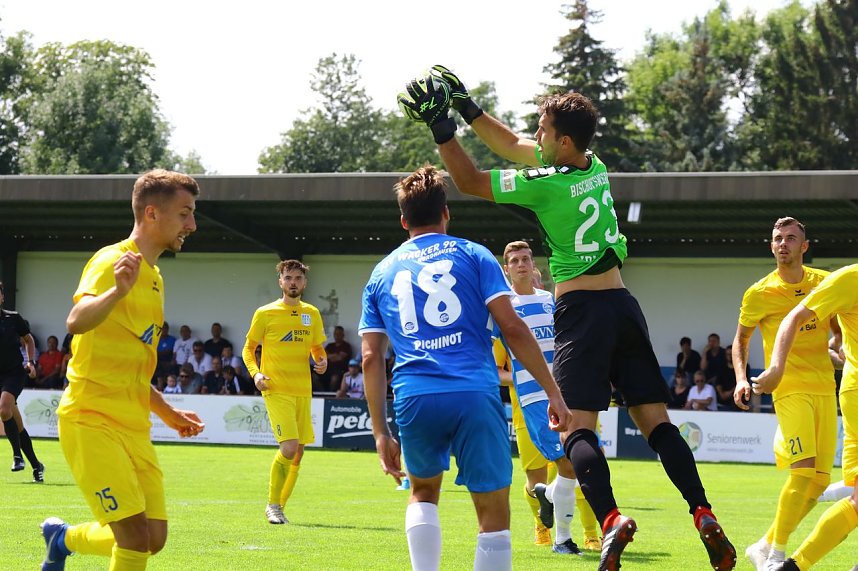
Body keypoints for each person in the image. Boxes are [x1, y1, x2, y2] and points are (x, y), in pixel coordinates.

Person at [400, 65, 736, 570]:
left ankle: (610, 520)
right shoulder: (592, 164)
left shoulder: (547, 186)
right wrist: (469, 106)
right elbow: (512, 140)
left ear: (561, 144)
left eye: (544, 131)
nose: (535, 135)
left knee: (575, 432)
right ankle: (703, 511)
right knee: (659, 426)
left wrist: (442, 127)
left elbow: (468, 181)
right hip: (625, 305)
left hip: (580, 311)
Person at [359, 165, 570, 571]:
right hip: (474, 392)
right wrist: (553, 392)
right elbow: (512, 327)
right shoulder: (475, 255)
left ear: (403, 220)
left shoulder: (382, 271)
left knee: (422, 492)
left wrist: (380, 431)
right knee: (493, 509)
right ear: (446, 214)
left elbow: (370, 356)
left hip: (415, 394)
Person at [38, 169, 206, 571]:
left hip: (133, 425)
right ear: (152, 213)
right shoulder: (113, 261)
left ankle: (62, 539)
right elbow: (76, 320)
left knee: (153, 538)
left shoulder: (155, 278)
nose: (192, 225)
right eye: (184, 214)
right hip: (91, 418)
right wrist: (115, 291)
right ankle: (62, 540)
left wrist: (168, 412)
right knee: (132, 536)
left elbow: (132, 362)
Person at [732, 217, 840, 571]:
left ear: (804, 247)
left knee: (819, 482)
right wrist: (740, 379)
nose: (783, 244)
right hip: (788, 388)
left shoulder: (824, 282)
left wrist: (838, 349)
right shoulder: (759, 292)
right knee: (803, 471)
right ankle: (776, 555)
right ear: (771, 245)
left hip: (826, 388)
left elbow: (838, 329)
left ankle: (762, 545)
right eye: (778, 238)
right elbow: (741, 340)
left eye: (791, 239)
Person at [750, 263, 858, 571]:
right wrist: (776, 369)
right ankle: (784, 559)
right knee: (811, 476)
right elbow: (794, 317)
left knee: (824, 483)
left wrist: (838, 345)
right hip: (846, 392)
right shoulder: (848, 280)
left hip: (834, 385)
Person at [495, 240, 599, 554]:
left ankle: (560, 522)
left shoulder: (549, 301)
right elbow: (491, 363)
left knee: (576, 465)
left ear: (534, 264)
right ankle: (560, 533)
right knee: (569, 463)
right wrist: (516, 376)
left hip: (566, 392)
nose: (522, 264)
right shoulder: (503, 307)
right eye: (515, 261)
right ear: (507, 269)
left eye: (526, 258)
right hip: (532, 398)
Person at [242, 259, 327, 525]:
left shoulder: (311, 313)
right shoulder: (265, 313)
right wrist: (256, 374)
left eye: (298, 279)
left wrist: (322, 361)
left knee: (299, 451)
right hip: (275, 389)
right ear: (280, 282)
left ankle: (279, 506)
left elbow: (316, 349)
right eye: (288, 278)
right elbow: (248, 349)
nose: (293, 283)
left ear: (305, 282)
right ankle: (272, 506)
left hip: (303, 389)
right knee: (289, 448)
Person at [0, 280, 44, 482]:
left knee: (4, 409)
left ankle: (17, 457)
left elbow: (28, 339)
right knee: (16, 424)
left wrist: (31, 362)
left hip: (14, 373)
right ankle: (37, 465)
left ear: (2, 297)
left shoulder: (13, 318)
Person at [321, 325, 353, 392]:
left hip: (340, 370)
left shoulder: (346, 346)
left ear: (343, 335)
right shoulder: (330, 346)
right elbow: (323, 356)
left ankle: (330, 396)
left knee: (334, 378)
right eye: (335, 334)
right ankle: (322, 393)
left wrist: (330, 356)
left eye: (339, 334)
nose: (337, 336)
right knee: (314, 377)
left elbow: (340, 358)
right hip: (327, 369)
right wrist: (335, 355)